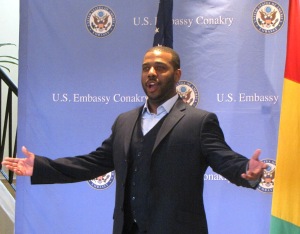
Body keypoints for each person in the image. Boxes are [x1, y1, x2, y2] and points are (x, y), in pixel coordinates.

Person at [2, 46, 267, 234]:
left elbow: (224, 159)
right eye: (146, 68)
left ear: (176, 75)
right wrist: (41, 166)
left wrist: (248, 171)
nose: (151, 72)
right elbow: (93, 163)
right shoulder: (124, 121)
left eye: (160, 68)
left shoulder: (199, 121)